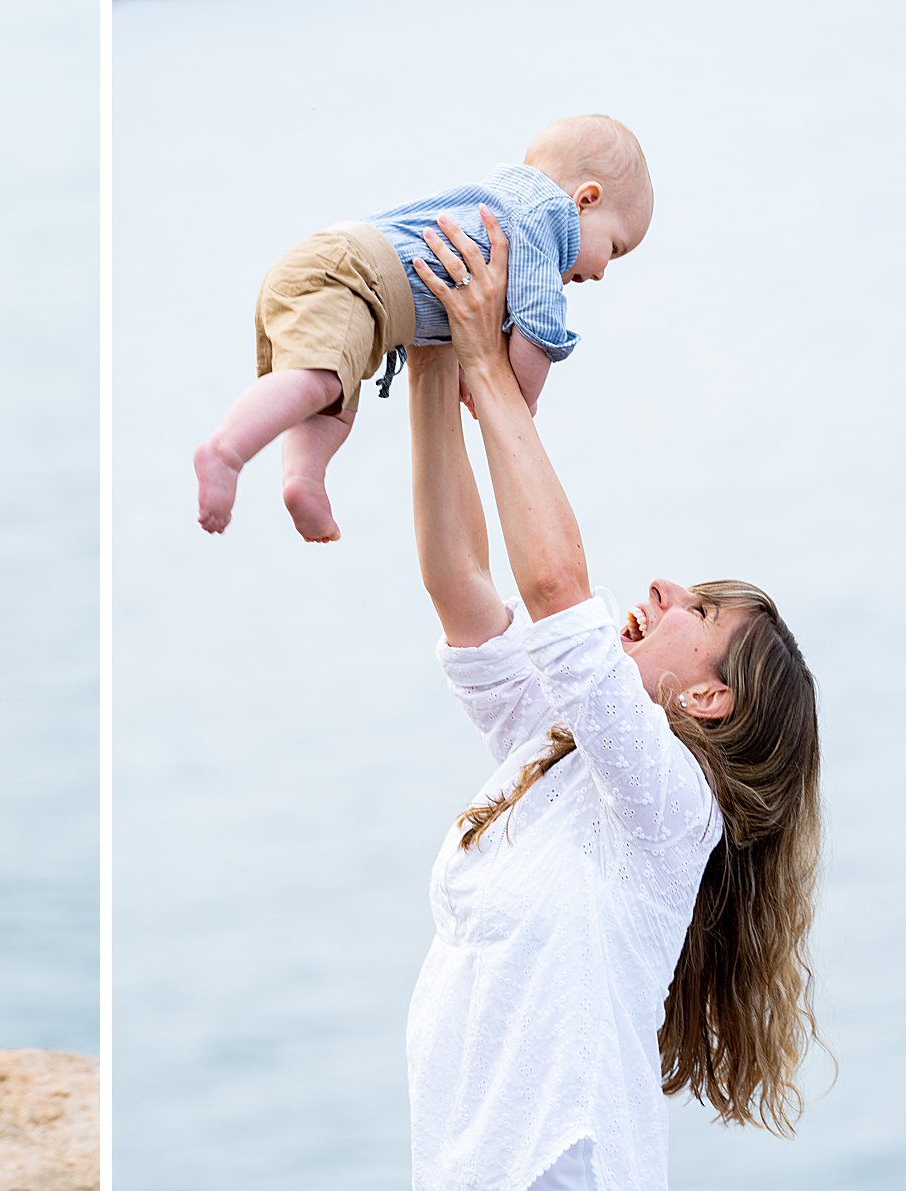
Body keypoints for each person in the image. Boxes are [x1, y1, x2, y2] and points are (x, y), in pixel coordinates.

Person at [403, 211, 822, 1189]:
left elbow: (554, 591)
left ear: (710, 698)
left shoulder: (671, 809)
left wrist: (488, 367)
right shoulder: (552, 749)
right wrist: (431, 359)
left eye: (700, 609)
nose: (666, 589)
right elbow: (459, 584)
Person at [194, 114, 653, 542]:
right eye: (613, 248)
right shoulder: (547, 219)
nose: (602, 273)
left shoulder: (499, 199)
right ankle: (226, 451)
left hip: (339, 272)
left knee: (333, 399)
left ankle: (303, 479)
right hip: (353, 278)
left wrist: (469, 374)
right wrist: (520, 401)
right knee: (319, 380)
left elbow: (468, 323)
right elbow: (538, 329)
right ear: (586, 201)